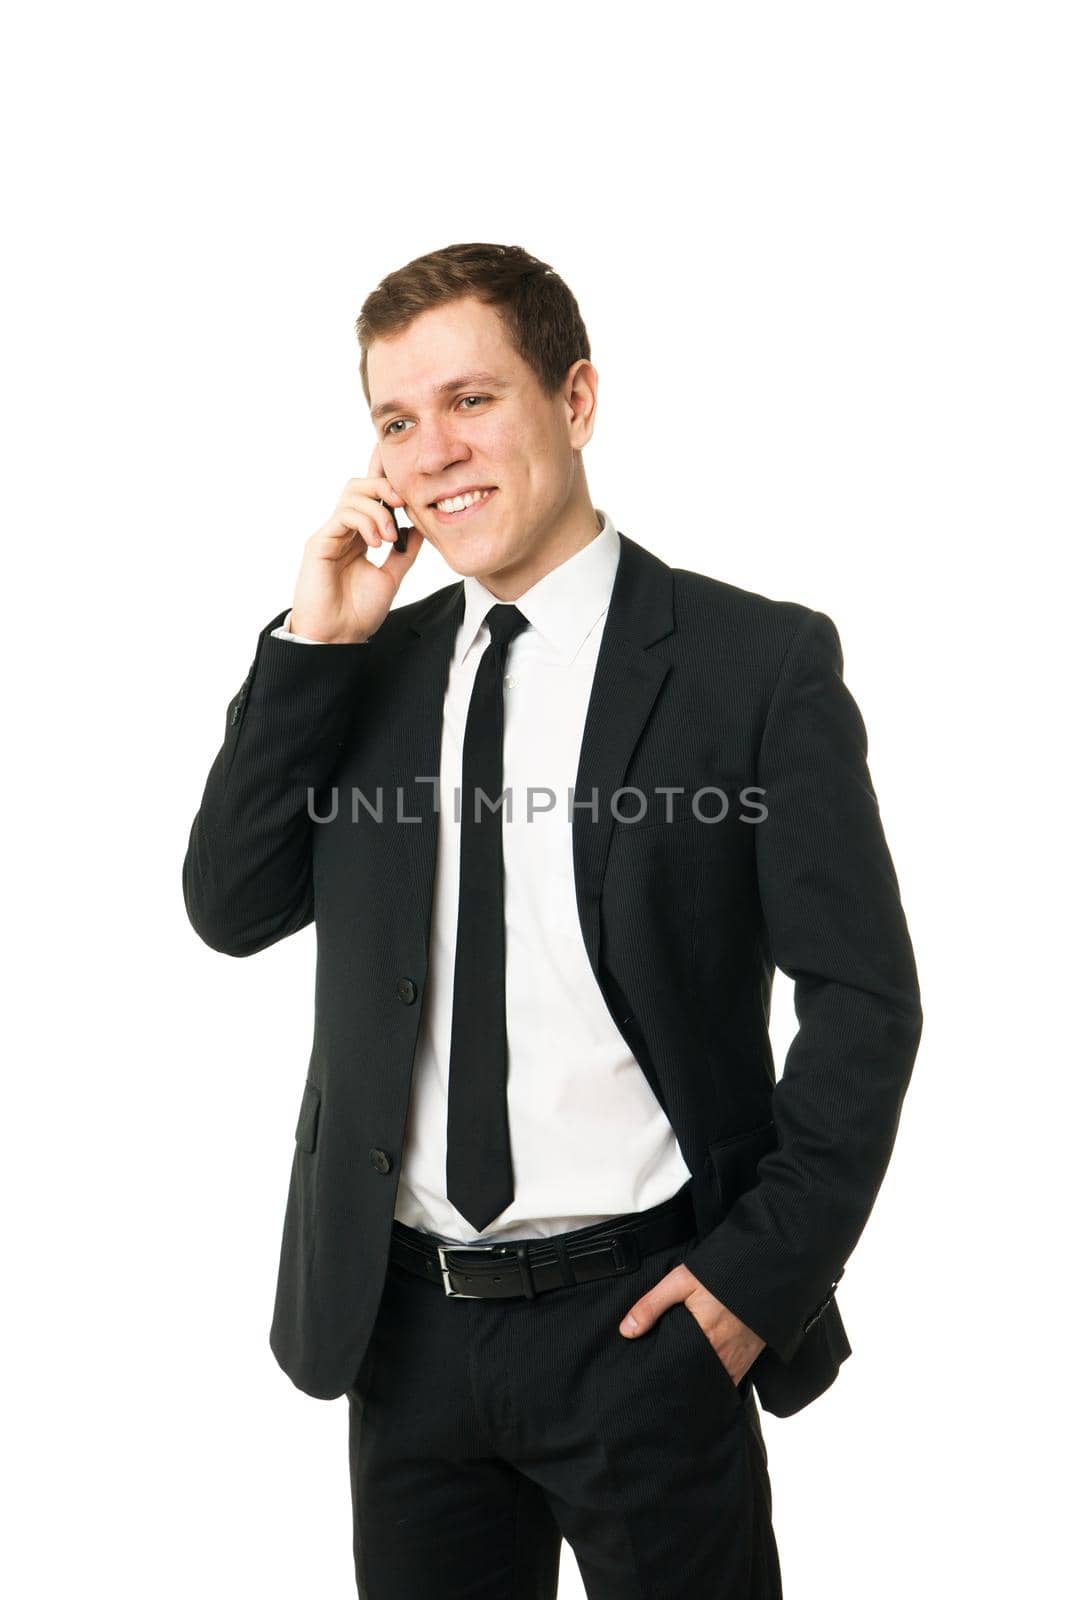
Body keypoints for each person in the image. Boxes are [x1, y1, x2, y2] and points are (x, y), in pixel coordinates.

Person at [182, 242, 923, 1599]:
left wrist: (755, 1282)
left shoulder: (752, 668)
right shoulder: (366, 669)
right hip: (403, 1335)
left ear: (574, 399)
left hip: (647, 1326)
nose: (432, 452)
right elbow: (232, 904)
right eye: (397, 422)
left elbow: (865, 1001)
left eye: (472, 400)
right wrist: (317, 640)